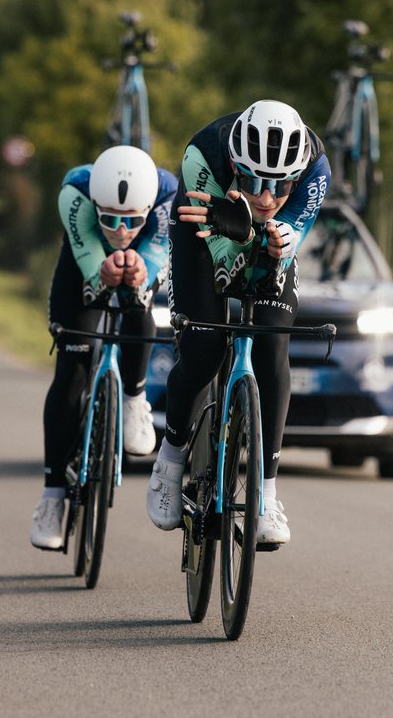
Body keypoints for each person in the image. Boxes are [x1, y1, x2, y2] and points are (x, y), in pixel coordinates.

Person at [146, 99, 329, 545]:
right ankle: (169, 462)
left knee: (271, 348)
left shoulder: (317, 168)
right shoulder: (201, 156)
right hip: (201, 233)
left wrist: (275, 239)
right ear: (233, 165)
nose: (266, 198)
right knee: (203, 348)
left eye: (280, 186)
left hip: (260, 241)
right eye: (251, 182)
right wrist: (242, 237)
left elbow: (288, 235)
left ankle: (265, 493)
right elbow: (226, 267)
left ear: (297, 176)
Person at [30, 144, 178, 550]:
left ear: (148, 207)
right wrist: (102, 269)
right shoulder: (74, 193)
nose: (119, 229)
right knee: (71, 369)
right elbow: (91, 257)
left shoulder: (168, 196)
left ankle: (134, 398)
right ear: (95, 203)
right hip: (82, 265)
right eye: (109, 218)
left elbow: (156, 251)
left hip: (140, 267)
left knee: (137, 298)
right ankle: (53, 495)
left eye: (131, 220)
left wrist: (138, 269)